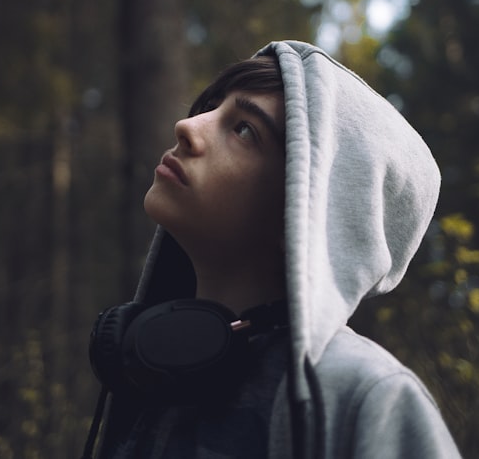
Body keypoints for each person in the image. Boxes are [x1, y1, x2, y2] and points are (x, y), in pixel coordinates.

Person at [84, 40, 460, 458]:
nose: (188, 127)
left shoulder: (366, 395)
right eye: (212, 107)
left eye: (244, 129)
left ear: (308, 204)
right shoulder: (154, 366)